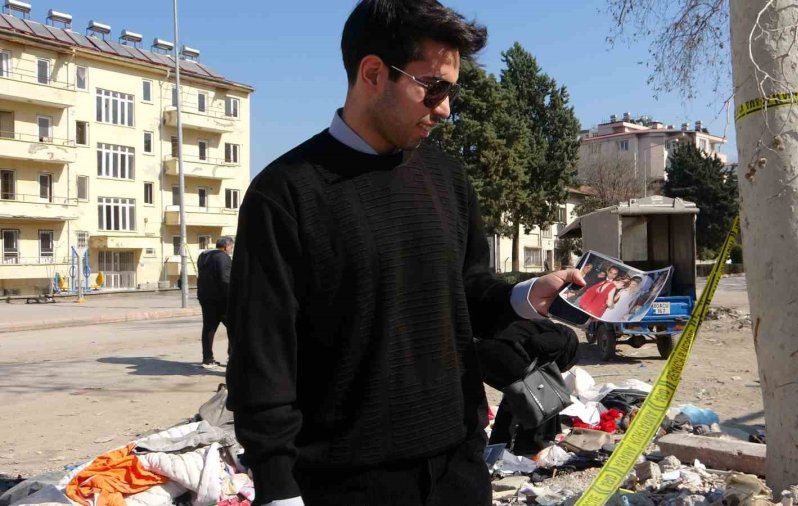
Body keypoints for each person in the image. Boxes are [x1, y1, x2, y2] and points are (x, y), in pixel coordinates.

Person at [224, 2, 584, 505]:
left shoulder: (447, 178)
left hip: (457, 468)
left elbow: (467, 292)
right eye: (433, 88)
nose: (445, 109)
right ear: (373, 73)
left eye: (452, 92)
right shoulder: (285, 194)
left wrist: (525, 296)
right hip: (346, 482)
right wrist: (277, 487)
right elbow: (262, 358)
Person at [476, 320, 579, 456]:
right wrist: (530, 364)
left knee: (513, 400)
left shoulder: (545, 328)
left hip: (485, 353)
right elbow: (536, 343)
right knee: (543, 400)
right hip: (506, 354)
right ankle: (529, 445)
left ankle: (499, 443)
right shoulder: (561, 339)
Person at [197, 237, 233, 369]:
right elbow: (225, 279)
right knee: (233, 327)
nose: (231, 250)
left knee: (209, 327)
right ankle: (232, 357)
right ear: (226, 246)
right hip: (221, 299)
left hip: (205, 297)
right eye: (231, 247)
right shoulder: (223, 257)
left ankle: (207, 359)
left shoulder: (203, 256)